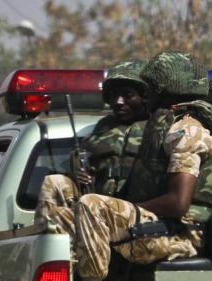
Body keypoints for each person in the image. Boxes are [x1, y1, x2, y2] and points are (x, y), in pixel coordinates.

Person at [70, 50, 212, 281]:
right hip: (162, 227)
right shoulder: (170, 123)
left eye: (151, 89)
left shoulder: (188, 128)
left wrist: (126, 210)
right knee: (84, 208)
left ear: (163, 89)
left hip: (182, 235)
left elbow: (178, 202)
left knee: (93, 206)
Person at [35, 59, 150, 234]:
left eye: (128, 95)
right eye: (114, 96)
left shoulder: (157, 126)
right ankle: (56, 253)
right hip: (95, 211)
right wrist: (78, 174)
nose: (119, 102)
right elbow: (79, 158)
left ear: (144, 96)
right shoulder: (103, 127)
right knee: (54, 182)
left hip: (138, 214)